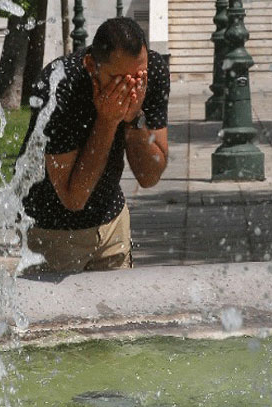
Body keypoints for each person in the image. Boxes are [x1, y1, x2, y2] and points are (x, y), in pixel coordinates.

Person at [20, 17, 170, 273]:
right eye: (118, 79)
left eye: (136, 77)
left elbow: (149, 176)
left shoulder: (152, 72)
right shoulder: (59, 86)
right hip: (53, 231)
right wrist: (108, 121)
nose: (130, 88)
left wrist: (135, 118)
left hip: (112, 224)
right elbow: (73, 198)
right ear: (91, 65)